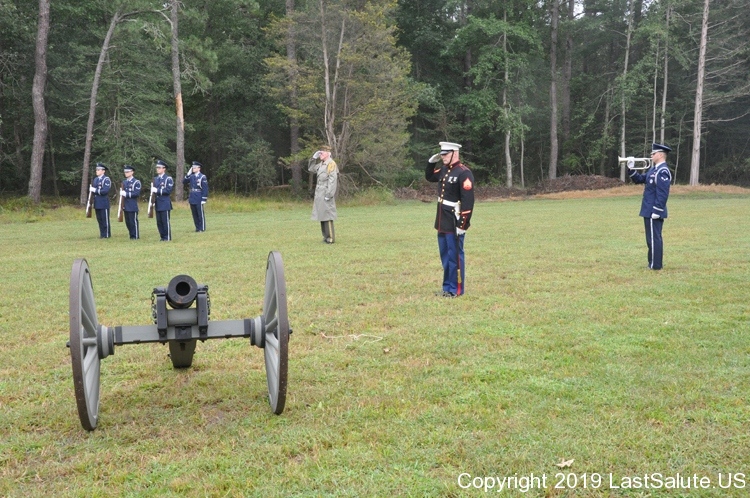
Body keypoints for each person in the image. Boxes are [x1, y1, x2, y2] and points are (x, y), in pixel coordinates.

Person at [425, 142, 475, 297]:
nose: (443, 157)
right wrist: (431, 163)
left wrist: (463, 224)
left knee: (455, 257)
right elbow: (429, 176)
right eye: (442, 154)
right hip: (442, 219)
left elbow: (468, 201)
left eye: (445, 154)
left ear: (455, 153)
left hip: (454, 220)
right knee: (446, 256)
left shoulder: (464, 173)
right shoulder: (444, 170)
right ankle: (447, 287)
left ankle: (456, 289)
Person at [629, 143, 672, 270]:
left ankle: (656, 265)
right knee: (650, 239)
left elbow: (663, 193)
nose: (651, 155)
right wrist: (631, 169)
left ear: (660, 155)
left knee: (654, 238)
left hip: (654, 210)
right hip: (648, 209)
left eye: (653, 153)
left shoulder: (662, 171)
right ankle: (652, 263)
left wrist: (657, 210)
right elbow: (640, 179)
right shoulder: (654, 169)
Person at [309, 145, 338, 244]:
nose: (320, 153)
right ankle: (325, 237)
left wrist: (329, 194)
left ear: (328, 153)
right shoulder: (321, 164)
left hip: (326, 192)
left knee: (327, 215)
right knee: (322, 215)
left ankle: (330, 238)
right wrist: (313, 158)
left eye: (322, 152)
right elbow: (311, 169)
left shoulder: (331, 164)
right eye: (320, 151)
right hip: (319, 192)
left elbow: (332, 181)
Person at [151, 159, 174, 241]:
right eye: (157, 167)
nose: (157, 169)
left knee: (165, 221)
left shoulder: (168, 179)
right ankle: (162, 237)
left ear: (164, 169)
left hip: (164, 203)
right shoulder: (155, 179)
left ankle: (167, 237)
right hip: (157, 203)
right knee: (159, 222)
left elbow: (168, 191)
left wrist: (157, 190)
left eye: (159, 168)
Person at [183, 161, 209, 232]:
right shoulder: (192, 176)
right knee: (194, 213)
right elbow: (184, 182)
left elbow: (205, 188)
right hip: (192, 196)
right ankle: (197, 228)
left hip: (198, 196)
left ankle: (202, 228)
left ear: (199, 168)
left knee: (200, 213)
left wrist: (204, 198)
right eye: (193, 168)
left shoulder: (202, 177)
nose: (193, 169)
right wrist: (188, 174)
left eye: (195, 168)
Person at [90, 163, 111, 238]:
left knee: (105, 219)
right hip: (97, 202)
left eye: (98, 170)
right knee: (100, 220)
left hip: (103, 202)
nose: (97, 171)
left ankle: (107, 234)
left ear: (103, 171)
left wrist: (95, 190)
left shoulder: (106, 179)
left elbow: (105, 191)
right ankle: (102, 234)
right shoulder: (96, 179)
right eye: (96, 170)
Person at [120, 164, 141, 239]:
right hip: (125, 204)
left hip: (132, 205)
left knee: (133, 221)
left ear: (132, 172)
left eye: (127, 172)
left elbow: (136, 193)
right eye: (125, 172)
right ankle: (131, 235)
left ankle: (135, 236)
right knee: (128, 222)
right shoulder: (124, 182)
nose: (126, 173)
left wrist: (126, 194)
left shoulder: (136, 182)